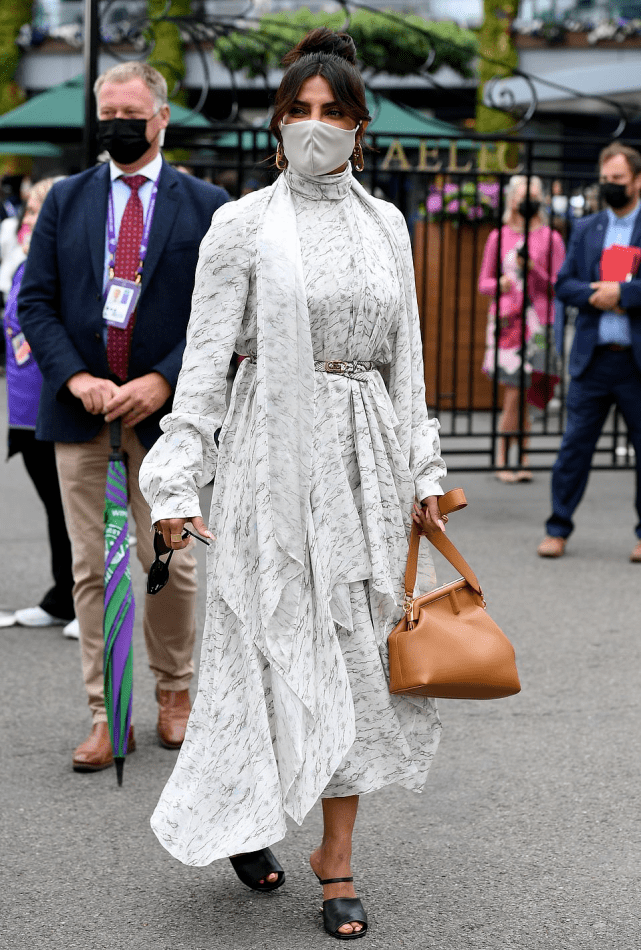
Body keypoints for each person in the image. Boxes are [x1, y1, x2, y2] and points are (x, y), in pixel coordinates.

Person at [140, 28, 446, 941]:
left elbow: (409, 365)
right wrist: (176, 482)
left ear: (360, 126)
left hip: (365, 473)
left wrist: (423, 467)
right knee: (262, 660)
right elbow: (201, 368)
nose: (318, 128)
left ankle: (337, 859)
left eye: (335, 114)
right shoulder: (240, 225)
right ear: (277, 125)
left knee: (356, 667)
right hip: (268, 470)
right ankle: (244, 810)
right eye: (301, 112)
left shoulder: (385, 223)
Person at [18, 61, 229, 772]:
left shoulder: (206, 205)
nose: (116, 124)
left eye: (130, 113)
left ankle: (176, 693)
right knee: (93, 568)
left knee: (167, 559)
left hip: (166, 420)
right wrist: (75, 375)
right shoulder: (66, 200)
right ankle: (107, 712)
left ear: (160, 117)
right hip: (80, 413)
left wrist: (162, 380)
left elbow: (219, 315)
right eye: (106, 112)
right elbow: (35, 302)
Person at [538, 143, 641, 561]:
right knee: (573, 449)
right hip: (593, 360)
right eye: (605, 180)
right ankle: (557, 528)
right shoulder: (586, 228)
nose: (609, 186)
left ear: (637, 180)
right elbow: (564, 285)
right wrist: (598, 294)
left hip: (635, 363)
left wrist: (626, 293)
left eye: (617, 180)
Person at [1, 176, 79, 636]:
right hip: (22, 407)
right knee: (54, 507)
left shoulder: (67, 262)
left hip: (56, 401)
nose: (30, 222)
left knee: (72, 508)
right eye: (28, 212)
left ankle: (82, 600)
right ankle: (59, 595)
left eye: (39, 212)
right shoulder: (22, 262)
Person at [479, 175, 565, 482]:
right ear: (511, 199)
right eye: (522, 195)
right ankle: (505, 458)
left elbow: (560, 285)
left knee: (526, 391)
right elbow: (483, 283)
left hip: (538, 323)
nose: (527, 201)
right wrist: (500, 284)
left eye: (533, 195)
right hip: (507, 322)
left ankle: (521, 457)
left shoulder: (551, 238)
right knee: (514, 390)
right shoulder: (498, 236)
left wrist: (535, 271)